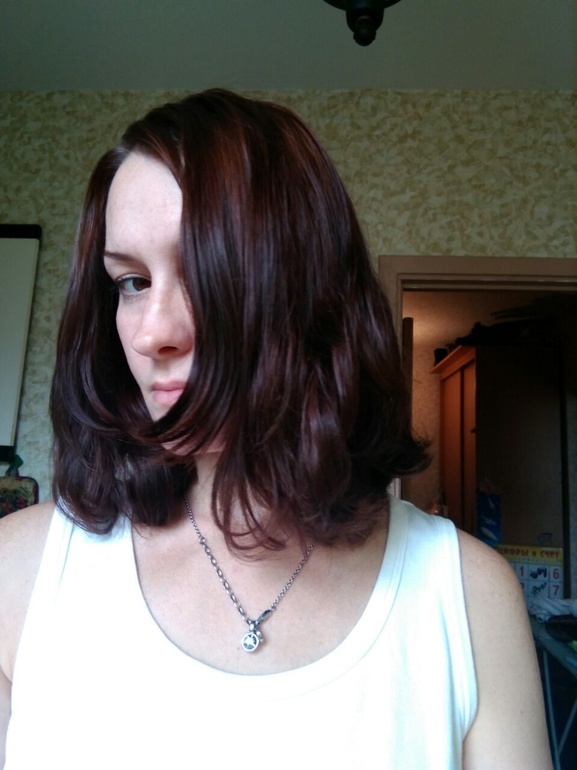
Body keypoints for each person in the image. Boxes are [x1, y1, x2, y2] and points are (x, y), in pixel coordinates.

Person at [0, 90, 552, 769]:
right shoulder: (18, 573)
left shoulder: (466, 599)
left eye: (205, 274)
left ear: (310, 292)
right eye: (132, 282)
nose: (151, 333)